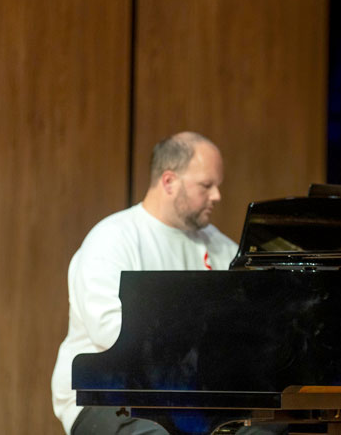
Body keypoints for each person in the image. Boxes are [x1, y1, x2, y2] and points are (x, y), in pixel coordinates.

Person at [51, 131, 238, 435]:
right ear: (168, 182)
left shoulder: (220, 247)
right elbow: (110, 331)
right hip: (105, 395)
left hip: (190, 399)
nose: (217, 196)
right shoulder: (113, 239)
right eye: (206, 186)